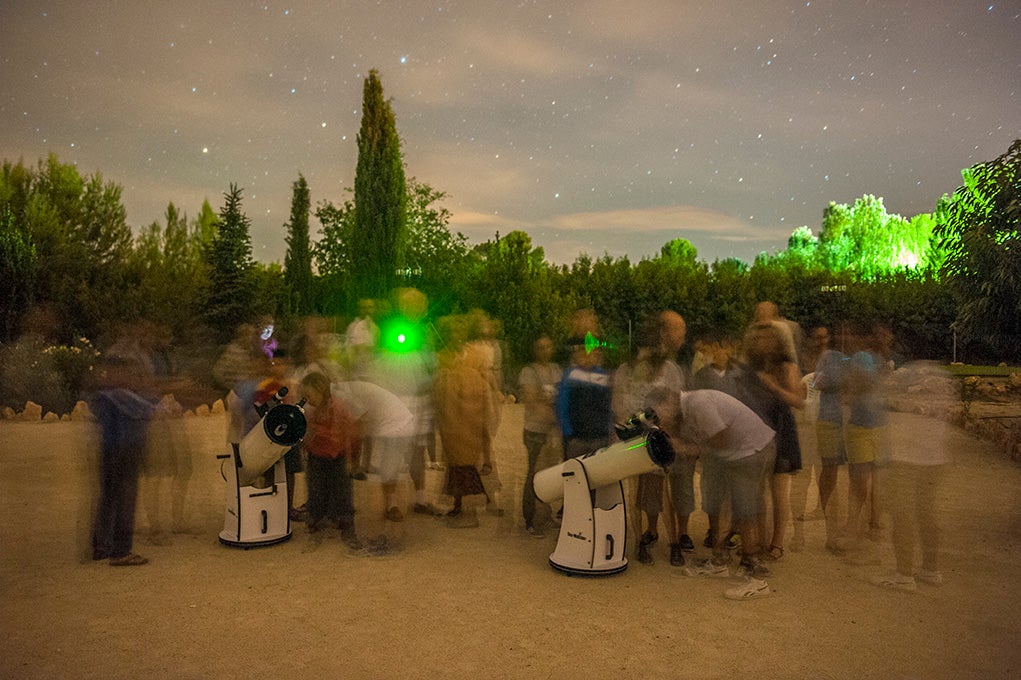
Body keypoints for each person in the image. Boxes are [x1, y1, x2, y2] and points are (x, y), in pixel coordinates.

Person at [649, 387, 776, 599]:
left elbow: (722, 439)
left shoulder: (697, 404)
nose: (659, 419)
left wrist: (689, 449)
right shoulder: (688, 410)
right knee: (724, 505)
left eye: (658, 412)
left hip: (751, 451)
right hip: (742, 452)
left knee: (744, 511)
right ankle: (720, 562)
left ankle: (756, 578)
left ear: (670, 401)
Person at [870, 363, 952, 592]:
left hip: (904, 457)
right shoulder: (942, 377)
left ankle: (904, 574)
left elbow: (881, 404)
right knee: (927, 513)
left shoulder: (902, 376)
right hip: (935, 457)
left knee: (902, 515)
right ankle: (930, 569)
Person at [612, 314, 685, 565]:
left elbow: (674, 405)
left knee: (662, 491)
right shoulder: (625, 371)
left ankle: (673, 542)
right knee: (635, 492)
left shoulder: (669, 370)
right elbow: (618, 403)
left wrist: (664, 428)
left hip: (656, 434)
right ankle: (638, 543)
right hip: (633, 435)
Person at [737, 322, 805, 562]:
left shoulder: (787, 367)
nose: (762, 343)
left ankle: (777, 543)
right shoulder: (748, 368)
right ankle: (759, 541)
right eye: (758, 338)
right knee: (756, 491)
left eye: (768, 338)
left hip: (781, 428)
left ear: (778, 342)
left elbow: (798, 400)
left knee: (779, 491)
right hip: (755, 429)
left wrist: (773, 386)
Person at [90, 333, 156, 567]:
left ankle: (101, 546)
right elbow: (144, 409)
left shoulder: (104, 395)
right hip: (125, 449)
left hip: (109, 450)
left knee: (108, 495)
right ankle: (120, 551)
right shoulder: (119, 395)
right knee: (126, 497)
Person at [835, 322, 893, 555]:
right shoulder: (875, 360)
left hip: (863, 425)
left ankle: (857, 527)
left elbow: (857, 388)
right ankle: (872, 525)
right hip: (874, 424)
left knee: (862, 480)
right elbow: (868, 386)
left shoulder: (866, 358)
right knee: (871, 477)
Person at [434, 339, 497, 528]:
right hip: (469, 435)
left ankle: (468, 514)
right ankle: (459, 507)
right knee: (461, 472)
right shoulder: (476, 378)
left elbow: (445, 400)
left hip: (460, 434)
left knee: (464, 474)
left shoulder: (458, 377)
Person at [299, 372, 360, 548]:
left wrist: (350, 459)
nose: (307, 399)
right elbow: (306, 435)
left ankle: (345, 520)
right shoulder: (309, 410)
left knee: (342, 490)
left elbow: (349, 434)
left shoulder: (339, 407)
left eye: (310, 396)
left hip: (338, 455)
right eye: (305, 396)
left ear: (321, 390)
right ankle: (316, 518)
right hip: (316, 456)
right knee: (316, 488)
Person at [518, 335, 561, 537]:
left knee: (549, 475)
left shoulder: (556, 370)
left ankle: (545, 515)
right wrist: (556, 418)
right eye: (540, 347)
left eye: (548, 346)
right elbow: (532, 402)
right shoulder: (528, 372)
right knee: (534, 475)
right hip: (535, 431)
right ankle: (531, 519)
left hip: (551, 431)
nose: (545, 350)